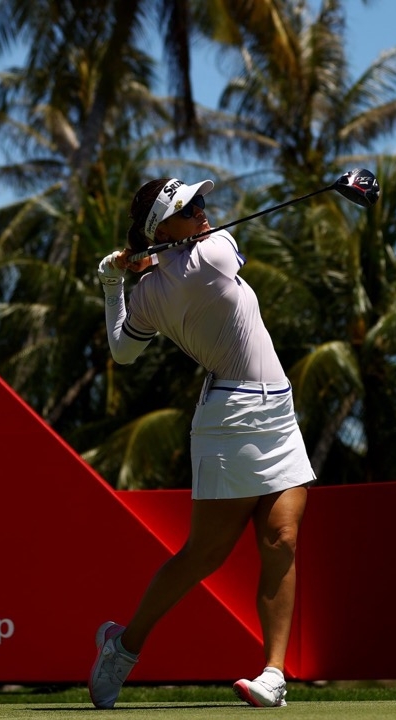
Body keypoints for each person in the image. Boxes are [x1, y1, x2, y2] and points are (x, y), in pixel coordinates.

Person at [88, 177, 314, 709]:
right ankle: (123, 646)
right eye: (189, 208)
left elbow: (122, 347)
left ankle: (274, 675)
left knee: (282, 539)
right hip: (230, 417)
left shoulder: (152, 288)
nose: (203, 211)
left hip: (279, 412)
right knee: (204, 555)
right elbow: (125, 353)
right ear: (163, 228)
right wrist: (137, 272)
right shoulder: (212, 256)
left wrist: (116, 284)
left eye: (200, 202)